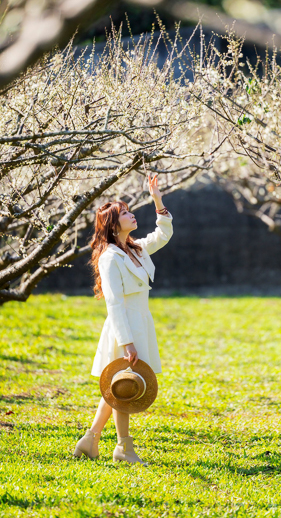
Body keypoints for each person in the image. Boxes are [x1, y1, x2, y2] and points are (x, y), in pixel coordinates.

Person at [73, 174, 173, 465]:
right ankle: (123, 448)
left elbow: (163, 235)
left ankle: (91, 440)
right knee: (123, 386)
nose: (132, 215)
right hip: (124, 327)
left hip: (141, 321)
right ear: (114, 224)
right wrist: (127, 343)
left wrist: (157, 199)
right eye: (126, 213)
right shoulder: (110, 257)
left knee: (120, 386)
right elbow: (114, 303)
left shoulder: (134, 249)